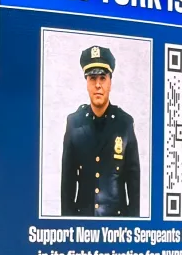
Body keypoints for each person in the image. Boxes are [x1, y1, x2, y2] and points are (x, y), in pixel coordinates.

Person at [60, 45, 140, 217]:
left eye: (102, 78)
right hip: (84, 225)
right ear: (86, 83)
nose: (97, 85)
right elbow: (67, 184)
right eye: (92, 78)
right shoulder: (74, 123)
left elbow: (133, 186)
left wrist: (134, 229)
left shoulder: (125, 124)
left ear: (110, 82)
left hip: (117, 226)